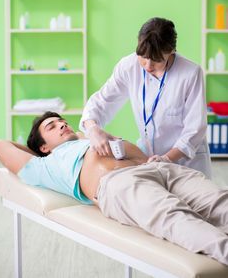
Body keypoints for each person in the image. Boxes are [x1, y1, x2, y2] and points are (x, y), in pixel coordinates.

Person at [0, 111, 228, 266]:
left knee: (219, 201)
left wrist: (85, 136)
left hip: (159, 168)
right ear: (44, 147)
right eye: (51, 126)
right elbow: (0, 146)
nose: (62, 124)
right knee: (177, 218)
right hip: (120, 184)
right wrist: (36, 150)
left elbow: (136, 153)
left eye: (62, 121)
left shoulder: (90, 140)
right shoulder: (44, 165)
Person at [79, 17, 212, 178]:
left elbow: (195, 128)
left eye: (156, 60)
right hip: (149, 159)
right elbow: (102, 100)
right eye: (143, 56)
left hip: (186, 162)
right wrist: (93, 129)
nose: (148, 65)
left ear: (171, 51)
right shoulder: (128, 66)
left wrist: (167, 158)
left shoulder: (190, 73)